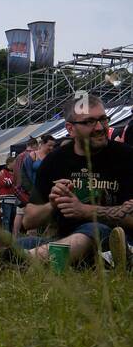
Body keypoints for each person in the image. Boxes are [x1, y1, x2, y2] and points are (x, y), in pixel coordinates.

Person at [8, 98, 133, 268]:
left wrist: (85, 211)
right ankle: (25, 257)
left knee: (95, 229)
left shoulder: (126, 156)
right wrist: (53, 204)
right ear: (70, 129)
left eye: (103, 119)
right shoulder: (55, 160)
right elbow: (29, 221)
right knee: (24, 242)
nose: (100, 128)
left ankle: (26, 261)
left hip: (116, 242)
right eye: (89, 122)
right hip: (66, 241)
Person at [0, 152, 20, 237]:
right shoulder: (3, 172)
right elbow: (6, 182)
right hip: (5, 198)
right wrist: (15, 179)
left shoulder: (15, 173)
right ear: (9, 164)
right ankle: (6, 236)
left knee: (13, 219)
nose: (16, 165)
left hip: (14, 199)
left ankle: (12, 236)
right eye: (14, 163)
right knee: (6, 219)